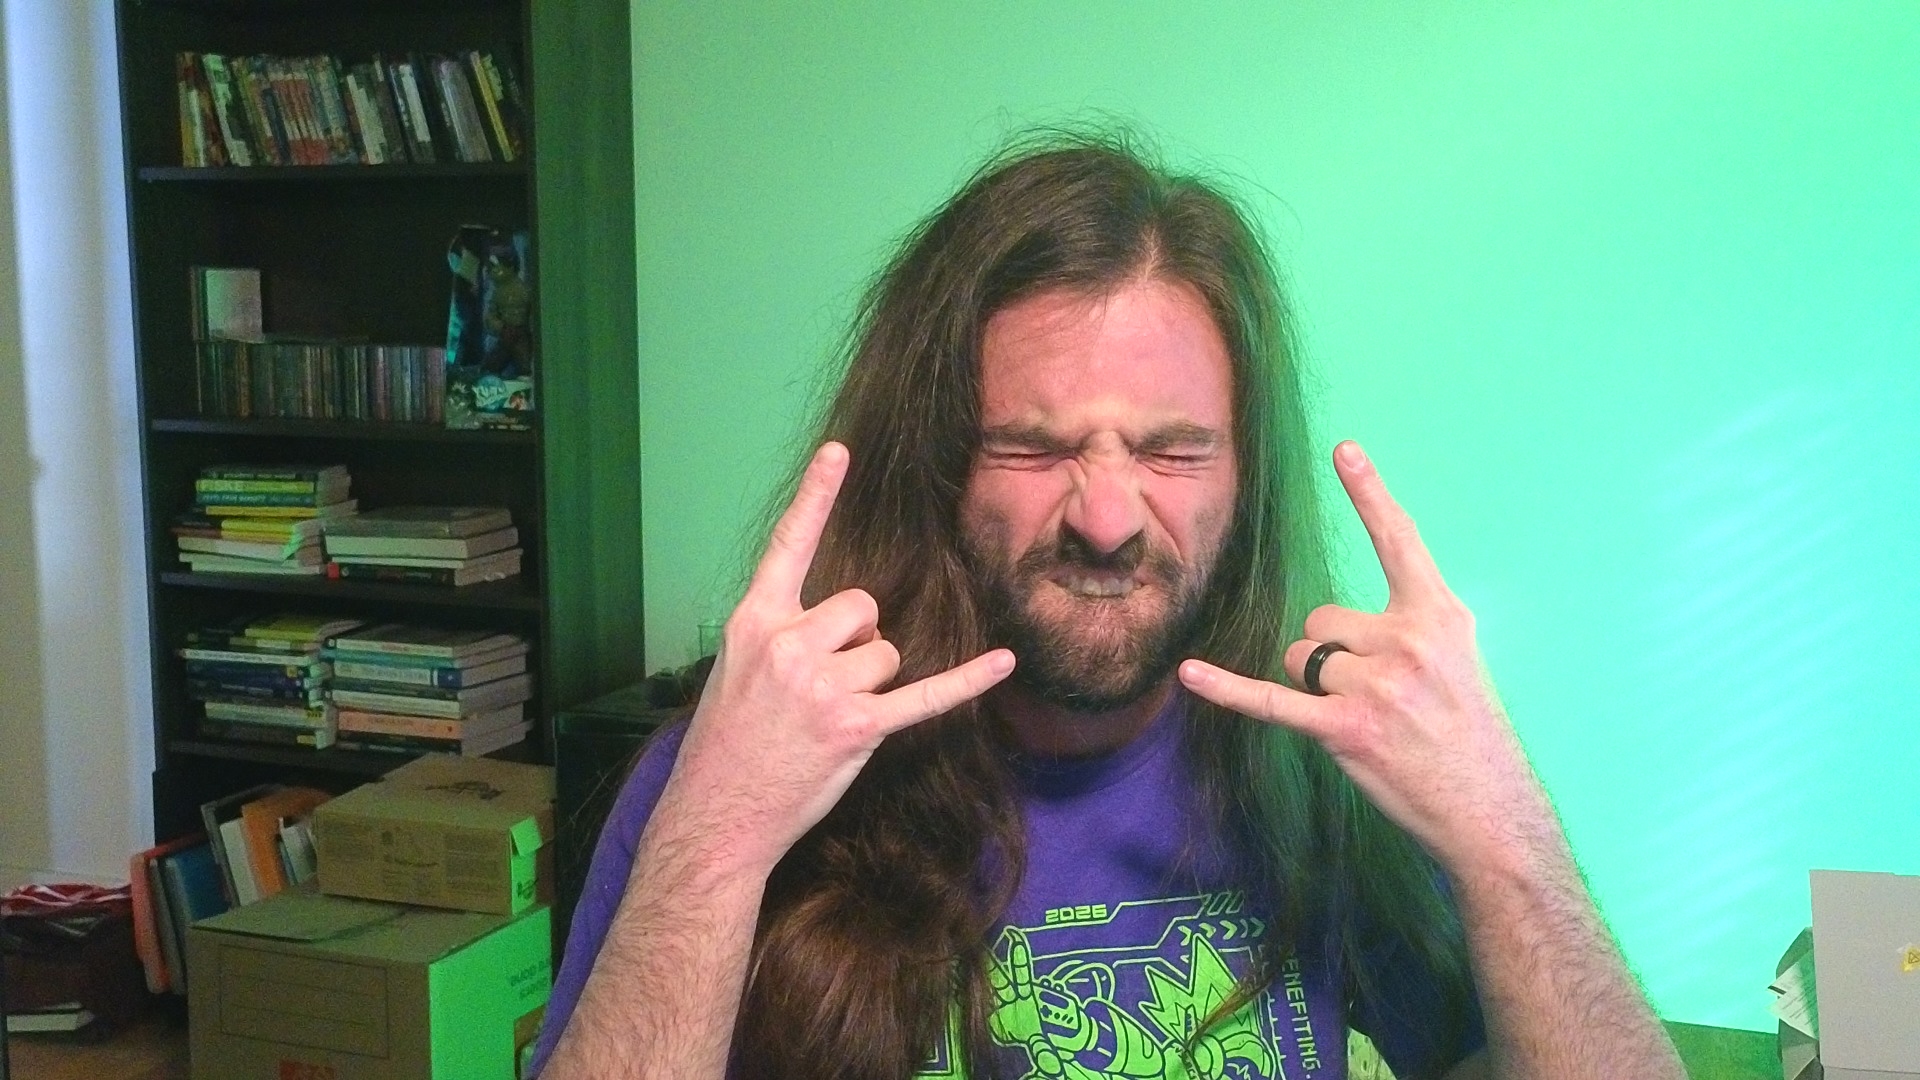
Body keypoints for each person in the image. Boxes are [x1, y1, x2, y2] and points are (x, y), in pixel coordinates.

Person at [534, 133, 1685, 1080]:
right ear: (937, 464)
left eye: (1172, 451)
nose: (1105, 518)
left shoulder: (1336, 778)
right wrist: (717, 839)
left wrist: (1506, 834)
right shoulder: (731, 775)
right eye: (1033, 446)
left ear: (1246, 478)